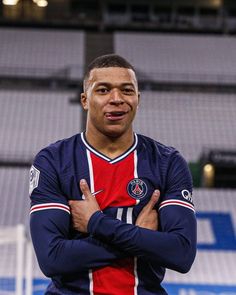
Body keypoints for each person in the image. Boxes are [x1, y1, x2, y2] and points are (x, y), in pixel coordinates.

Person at [29, 54, 197, 295]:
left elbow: (181, 254)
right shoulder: (53, 160)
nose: (117, 99)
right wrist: (141, 239)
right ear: (85, 100)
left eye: (127, 91)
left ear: (137, 99)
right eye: (104, 90)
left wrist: (96, 223)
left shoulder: (167, 162)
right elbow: (52, 258)